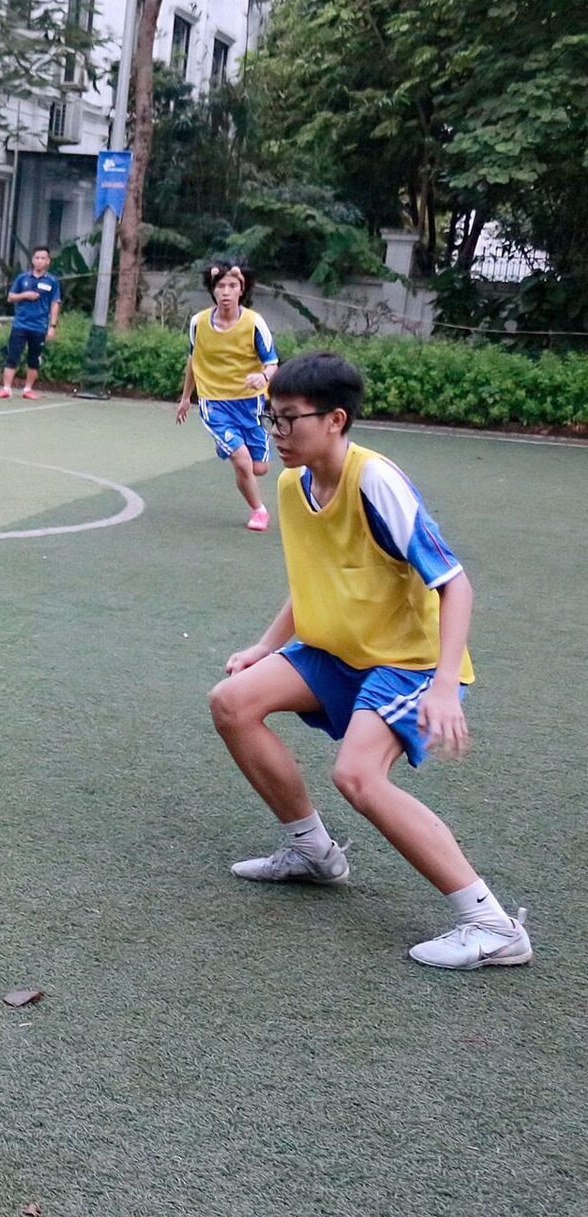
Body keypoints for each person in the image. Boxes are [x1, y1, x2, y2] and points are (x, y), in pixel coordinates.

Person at [208, 351, 531, 971]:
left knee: (357, 776)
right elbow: (316, 577)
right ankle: (313, 852)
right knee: (232, 703)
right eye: (272, 419)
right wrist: (264, 647)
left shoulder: (375, 481)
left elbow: (455, 583)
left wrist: (443, 686)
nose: (278, 434)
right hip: (337, 650)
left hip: (407, 661)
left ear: (335, 419)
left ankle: (493, 925)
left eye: (289, 419)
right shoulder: (292, 484)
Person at [175, 259, 278, 530]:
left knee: (259, 468)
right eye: (220, 286)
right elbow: (193, 360)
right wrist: (186, 398)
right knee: (241, 461)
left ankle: (230, 445)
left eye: (232, 286)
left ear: (242, 290)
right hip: (214, 403)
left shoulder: (254, 323)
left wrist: (263, 377)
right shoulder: (198, 323)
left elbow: (272, 363)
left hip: (251, 404)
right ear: (213, 290)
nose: (226, 292)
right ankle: (259, 512)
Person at [0, 245, 60, 400]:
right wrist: (25, 295)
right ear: (32, 260)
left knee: (34, 359)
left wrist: (52, 326)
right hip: (20, 325)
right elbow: (10, 297)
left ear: (48, 261)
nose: (40, 261)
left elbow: (55, 303)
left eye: (43, 258)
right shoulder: (22, 278)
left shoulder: (52, 281)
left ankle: (28, 389)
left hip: (39, 327)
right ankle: (6, 388)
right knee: (12, 357)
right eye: (37, 258)